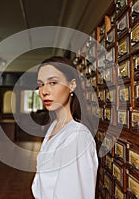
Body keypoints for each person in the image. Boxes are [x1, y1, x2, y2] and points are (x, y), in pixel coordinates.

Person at [31, 56, 98, 199]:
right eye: (41, 84)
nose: (44, 91)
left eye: (53, 82)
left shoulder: (77, 137)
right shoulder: (55, 126)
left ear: (72, 85)